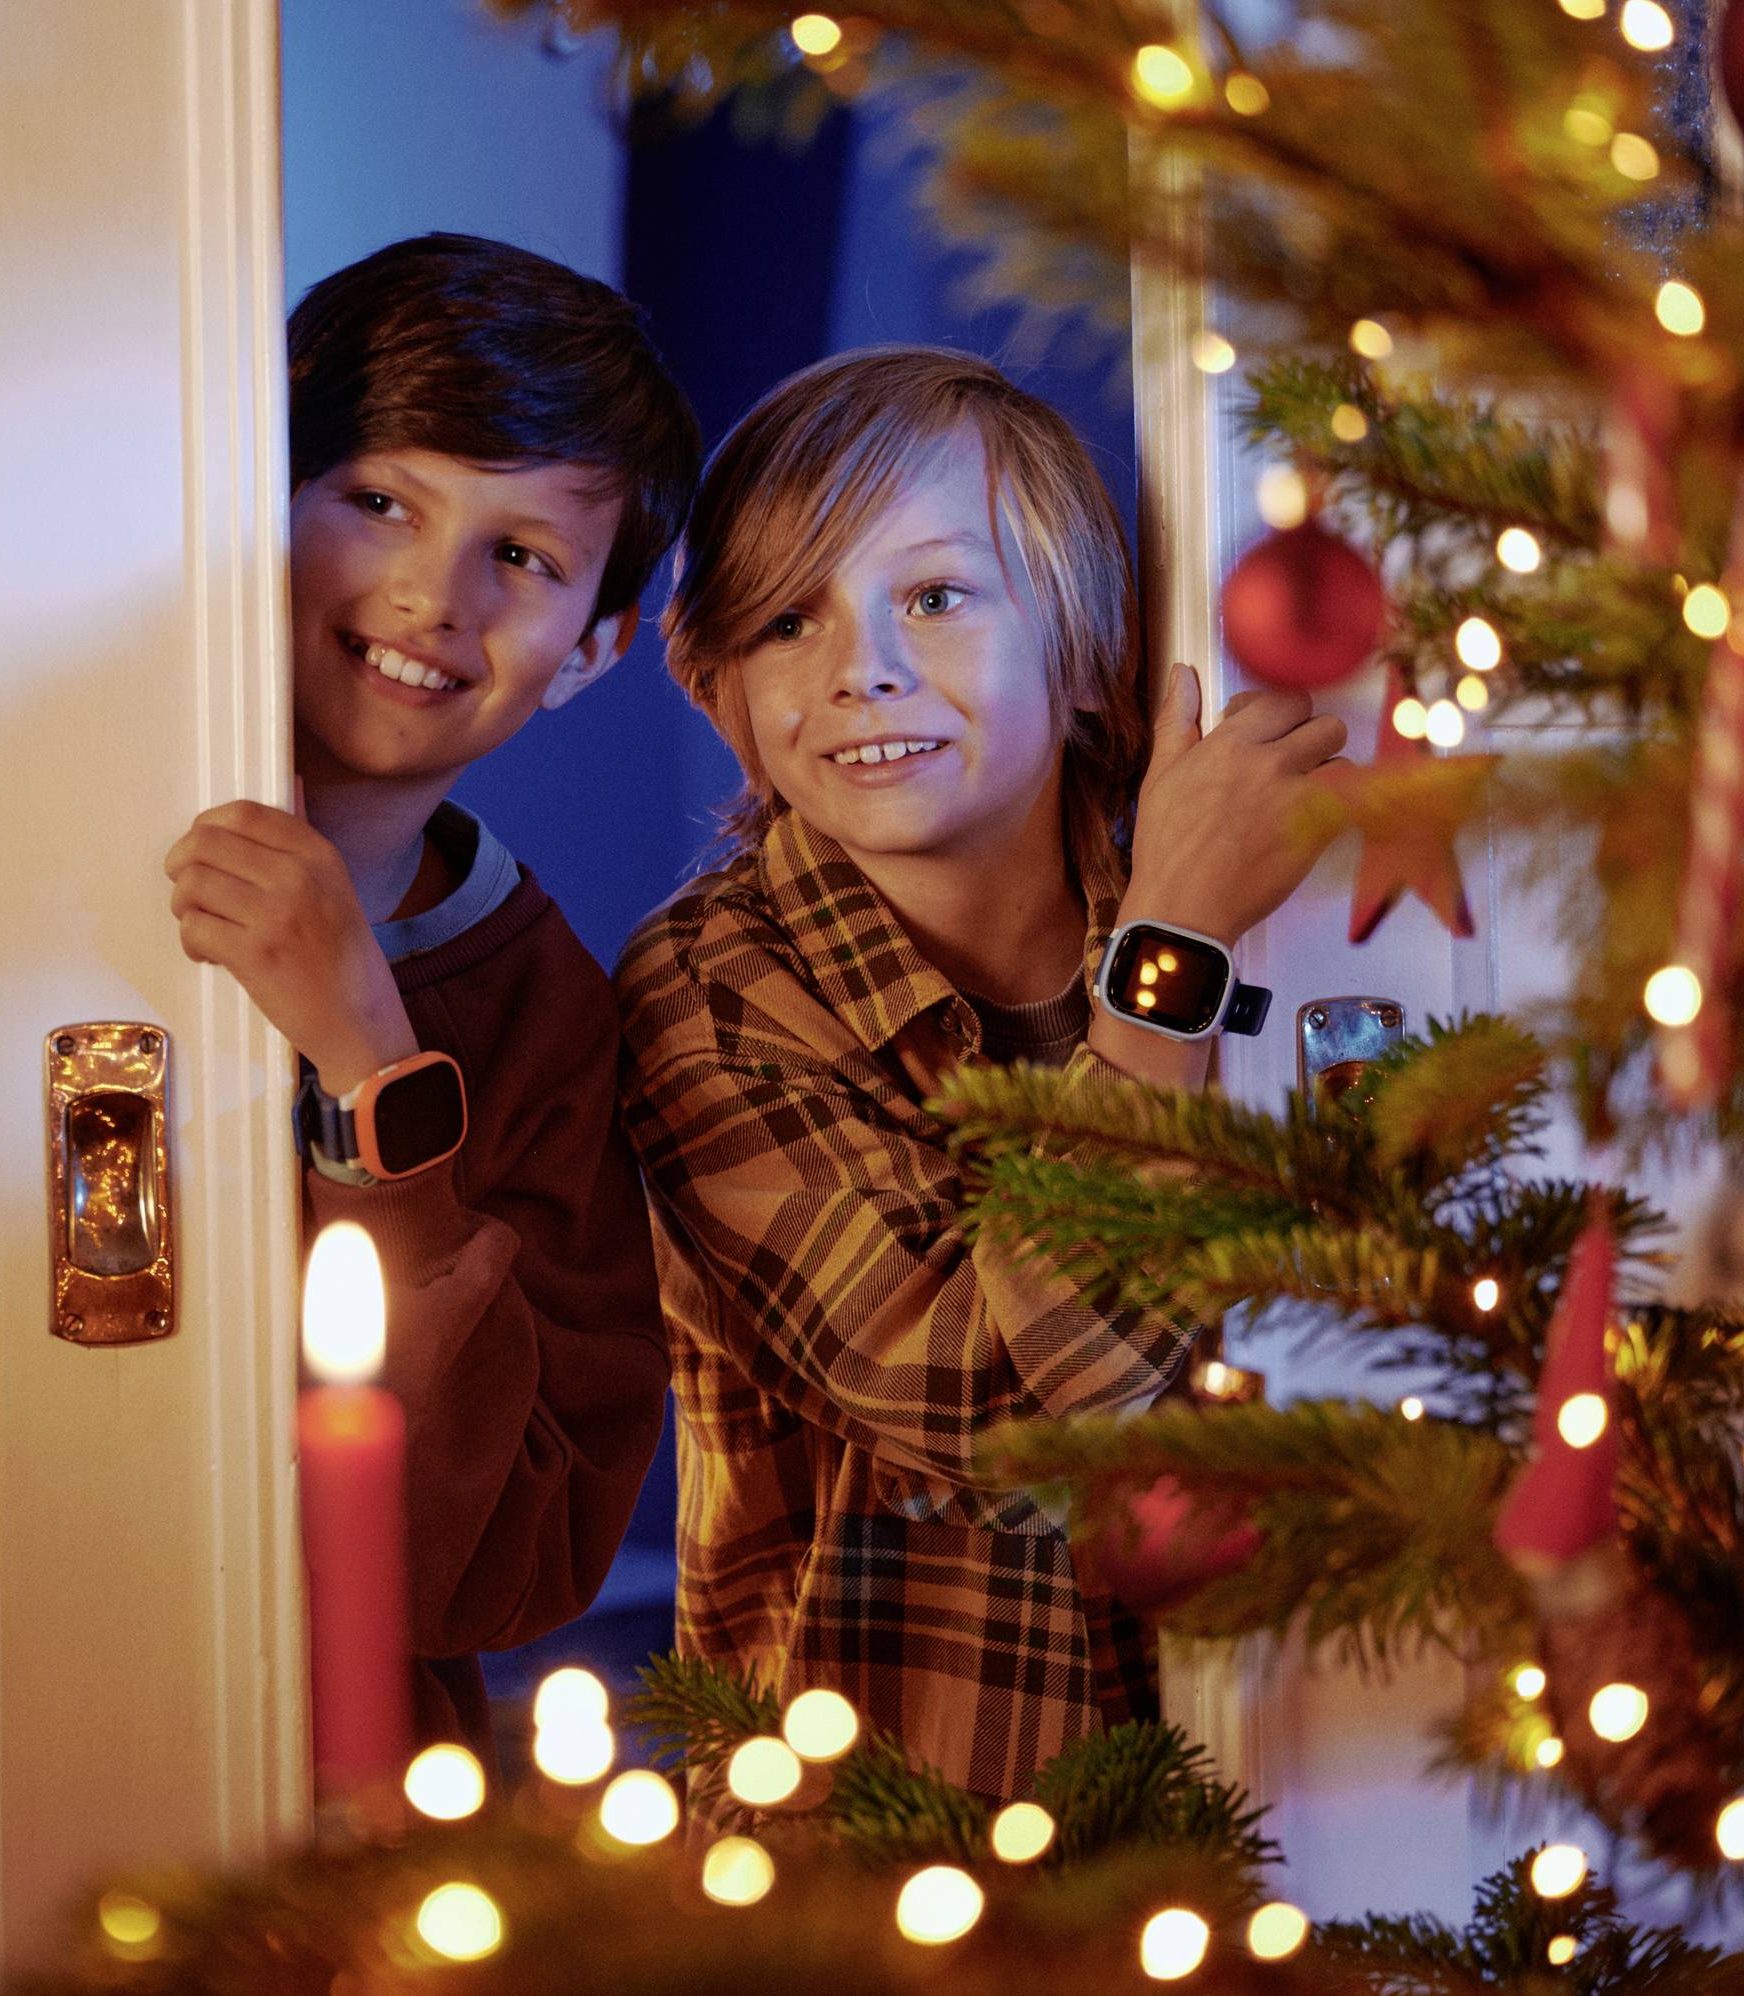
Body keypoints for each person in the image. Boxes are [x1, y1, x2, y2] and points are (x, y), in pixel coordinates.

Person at [617, 346, 1345, 1797]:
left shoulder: (1233, 898)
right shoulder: (708, 989)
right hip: (881, 1849)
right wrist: (1173, 954)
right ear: (723, 699)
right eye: (784, 621)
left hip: (1271, 1803)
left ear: (1080, 653)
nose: (860, 668)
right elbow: (1026, 1425)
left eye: (937, 597)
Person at [166, 233, 700, 1752]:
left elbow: (505, 1563)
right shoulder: (34, 828)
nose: (429, 595)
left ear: (594, 652)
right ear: (257, 501)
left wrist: (367, 1057)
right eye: (382, 501)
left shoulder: (550, 1019)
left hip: (333, 1774)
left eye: (517, 557)